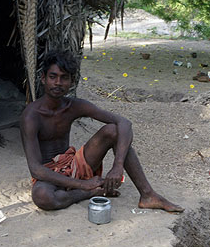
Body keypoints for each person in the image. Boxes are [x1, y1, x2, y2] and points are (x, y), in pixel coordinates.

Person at [20, 50, 184, 212]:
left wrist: (117, 165)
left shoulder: (74, 106)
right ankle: (89, 192)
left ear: (71, 81)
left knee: (114, 130)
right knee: (42, 196)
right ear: (43, 78)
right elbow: (36, 169)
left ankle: (148, 195)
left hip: (73, 164)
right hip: (49, 174)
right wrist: (84, 185)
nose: (58, 82)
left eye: (64, 78)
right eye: (53, 76)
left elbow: (124, 123)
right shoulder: (31, 116)